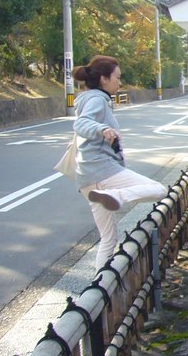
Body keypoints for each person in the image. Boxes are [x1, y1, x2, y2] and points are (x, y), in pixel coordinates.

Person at [72, 55, 168, 267]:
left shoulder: (89, 99)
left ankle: (100, 285)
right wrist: (102, 129)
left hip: (87, 180)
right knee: (159, 189)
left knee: (108, 239)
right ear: (104, 79)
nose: (120, 82)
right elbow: (81, 124)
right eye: (117, 77)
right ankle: (116, 195)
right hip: (103, 172)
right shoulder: (98, 99)